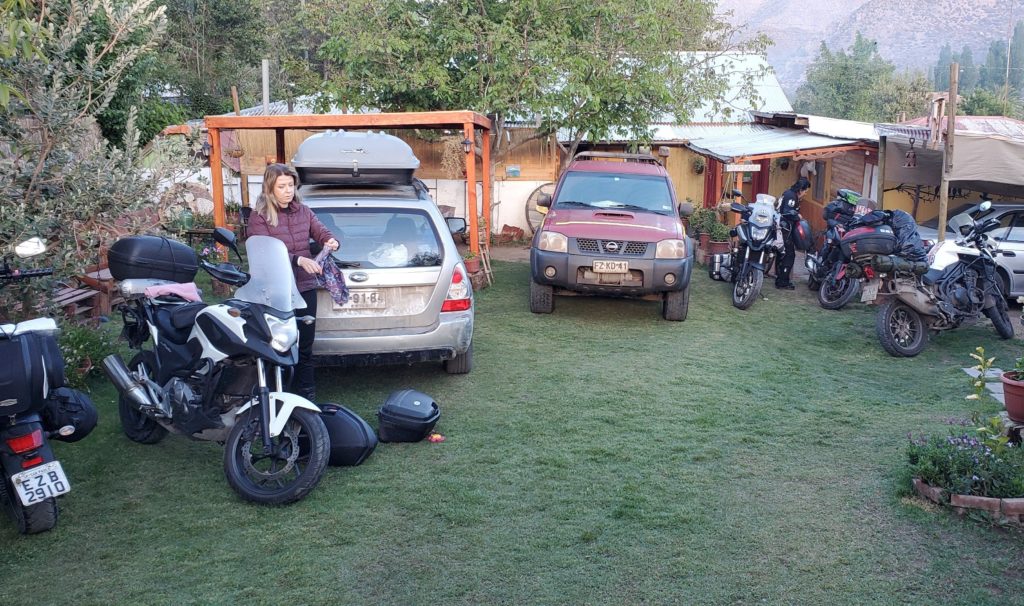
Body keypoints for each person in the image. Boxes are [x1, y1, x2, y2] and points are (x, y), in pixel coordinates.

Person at [247, 163, 339, 401]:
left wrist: (329, 240)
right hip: (273, 292)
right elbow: (263, 253)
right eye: (282, 186)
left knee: (305, 347)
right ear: (270, 188)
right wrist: (298, 260)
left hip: (305, 288)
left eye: (291, 185)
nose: (288, 190)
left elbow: (320, 231)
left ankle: (305, 396)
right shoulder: (260, 217)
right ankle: (274, 396)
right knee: (276, 346)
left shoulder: (304, 211)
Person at [775, 177, 811, 289]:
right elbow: (787, 212)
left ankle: (780, 277)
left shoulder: (788, 193)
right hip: (784, 228)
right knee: (789, 255)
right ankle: (782, 281)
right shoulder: (791, 197)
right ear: (801, 190)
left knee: (782, 253)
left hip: (781, 226)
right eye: (805, 191)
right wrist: (797, 216)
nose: (805, 194)